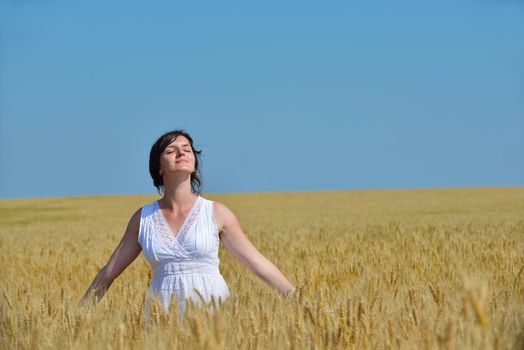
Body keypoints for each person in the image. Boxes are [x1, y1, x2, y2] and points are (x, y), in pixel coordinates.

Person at [80, 129, 296, 320]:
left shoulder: (217, 213)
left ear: (194, 164)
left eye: (187, 149)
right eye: (171, 150)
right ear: (159, 167)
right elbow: (109, 272)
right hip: (162, 316)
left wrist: (300, 302)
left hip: (214, 316)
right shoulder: (143, 218)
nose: (181, 153)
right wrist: (76, 317)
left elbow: (258, 263)